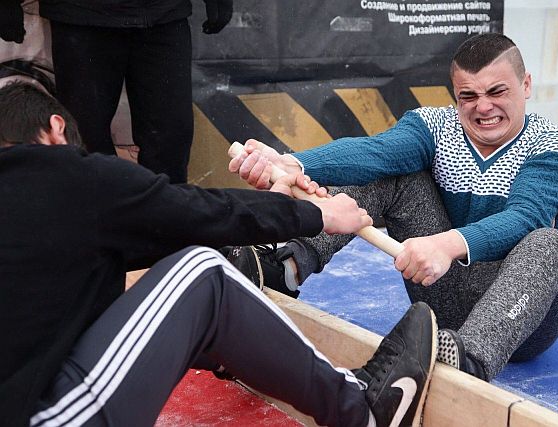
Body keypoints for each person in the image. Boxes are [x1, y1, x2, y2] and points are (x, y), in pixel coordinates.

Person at [0, 82, 438, 427]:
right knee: (203, 272)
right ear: (56, 129)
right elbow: (190, 213)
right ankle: (362, 410)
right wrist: (316, 214)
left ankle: (235, 345)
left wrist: (277, 203)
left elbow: (150, 239)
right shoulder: (58, 173)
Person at [228, 33, 558, 382]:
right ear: (455, 95)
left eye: (496, 92)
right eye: (468, 96)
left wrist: (445, 245)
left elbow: (524, 218)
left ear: (526, 85)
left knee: (550, 244)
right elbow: (378, 153)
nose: (483, 107)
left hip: (521, 320)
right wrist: (292, 164)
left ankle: (469, 361)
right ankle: (287, 268)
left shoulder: (551, 145)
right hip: (442, 290)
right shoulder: (435, 125)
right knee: (391, 172)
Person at [1, 0, 233, 184]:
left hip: (163, 13)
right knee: (85, 138)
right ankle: (99, 224)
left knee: (170, 137)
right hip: (81, 15)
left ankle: (166, 226)